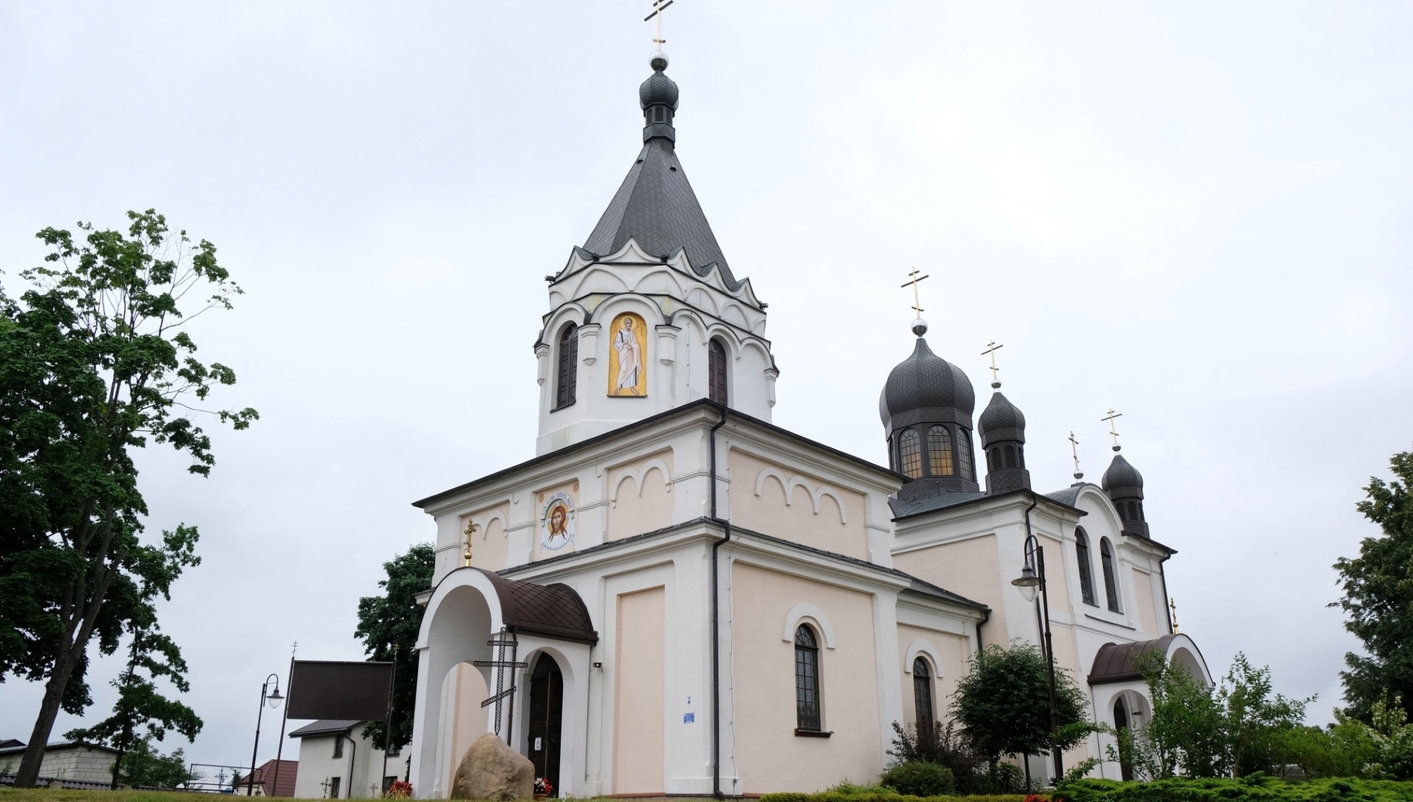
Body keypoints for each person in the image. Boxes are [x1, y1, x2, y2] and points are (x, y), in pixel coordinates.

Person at [613, 317, 642, 395]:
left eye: (630, 323)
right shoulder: (620, 333)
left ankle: (632, 387)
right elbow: (616, 344)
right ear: (625, 324)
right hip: (623, 353)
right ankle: (618, 387)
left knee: (632, 369)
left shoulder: (632, 333)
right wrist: (624, 344)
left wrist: (632, 346)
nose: (629, 325)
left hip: (631, 354)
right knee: (624, 369)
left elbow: (635, 343)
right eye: (628, 323)